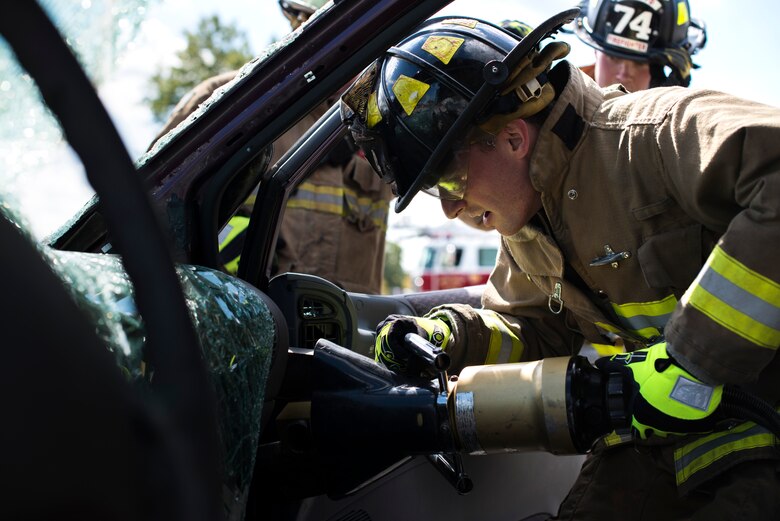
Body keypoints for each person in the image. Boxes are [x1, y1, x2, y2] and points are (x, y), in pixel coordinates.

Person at [340, 10, 780, 519]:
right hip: (673, 442)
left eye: (451, 182)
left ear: (512, 139)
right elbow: (533, 329)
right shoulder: (529, 221)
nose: (451, 209)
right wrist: (450, 336)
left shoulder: (652, 136)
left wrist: (693, 363)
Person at [151, 0, 393, 294]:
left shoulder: (387, 122)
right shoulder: (230, 104)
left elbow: (462, 199)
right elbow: (145, 216)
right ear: (302, 23)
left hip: (346, 335)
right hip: (235, 322)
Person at [574, 0, 706, 91]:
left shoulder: (673, 126)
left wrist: (669, 106)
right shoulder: (558, 99)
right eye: (614, 58)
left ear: (659, 71)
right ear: (596, 52)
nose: (623, 74)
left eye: (639, 63)